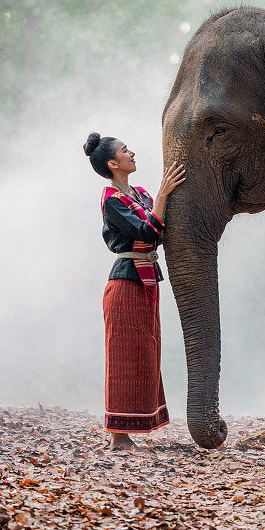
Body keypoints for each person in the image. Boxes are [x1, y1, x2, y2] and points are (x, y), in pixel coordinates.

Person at [83, 132, 185, 450]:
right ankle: (117, 437)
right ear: (114, 164)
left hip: (145, 281)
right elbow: (146, 230)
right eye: (125, 151)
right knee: (123, 357)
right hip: (125, 284)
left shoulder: (140, 195)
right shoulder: (112, 200)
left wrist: (163, 198)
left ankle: (129, 430)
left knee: (145, 352)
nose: (132, 153)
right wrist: (164, 194)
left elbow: (159, 230)